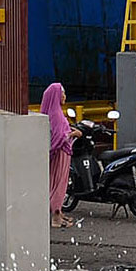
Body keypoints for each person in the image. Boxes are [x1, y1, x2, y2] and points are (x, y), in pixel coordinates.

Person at [44, 82, 76, 228]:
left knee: (55, 181)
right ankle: (56, 218)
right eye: (62, 93)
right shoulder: (56, 114)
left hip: (58, 152)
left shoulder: (52, 113)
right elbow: (60, 136)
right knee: (59, 183)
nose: (64, 96)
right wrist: (74, 134)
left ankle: (58, 212)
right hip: (61, 152)